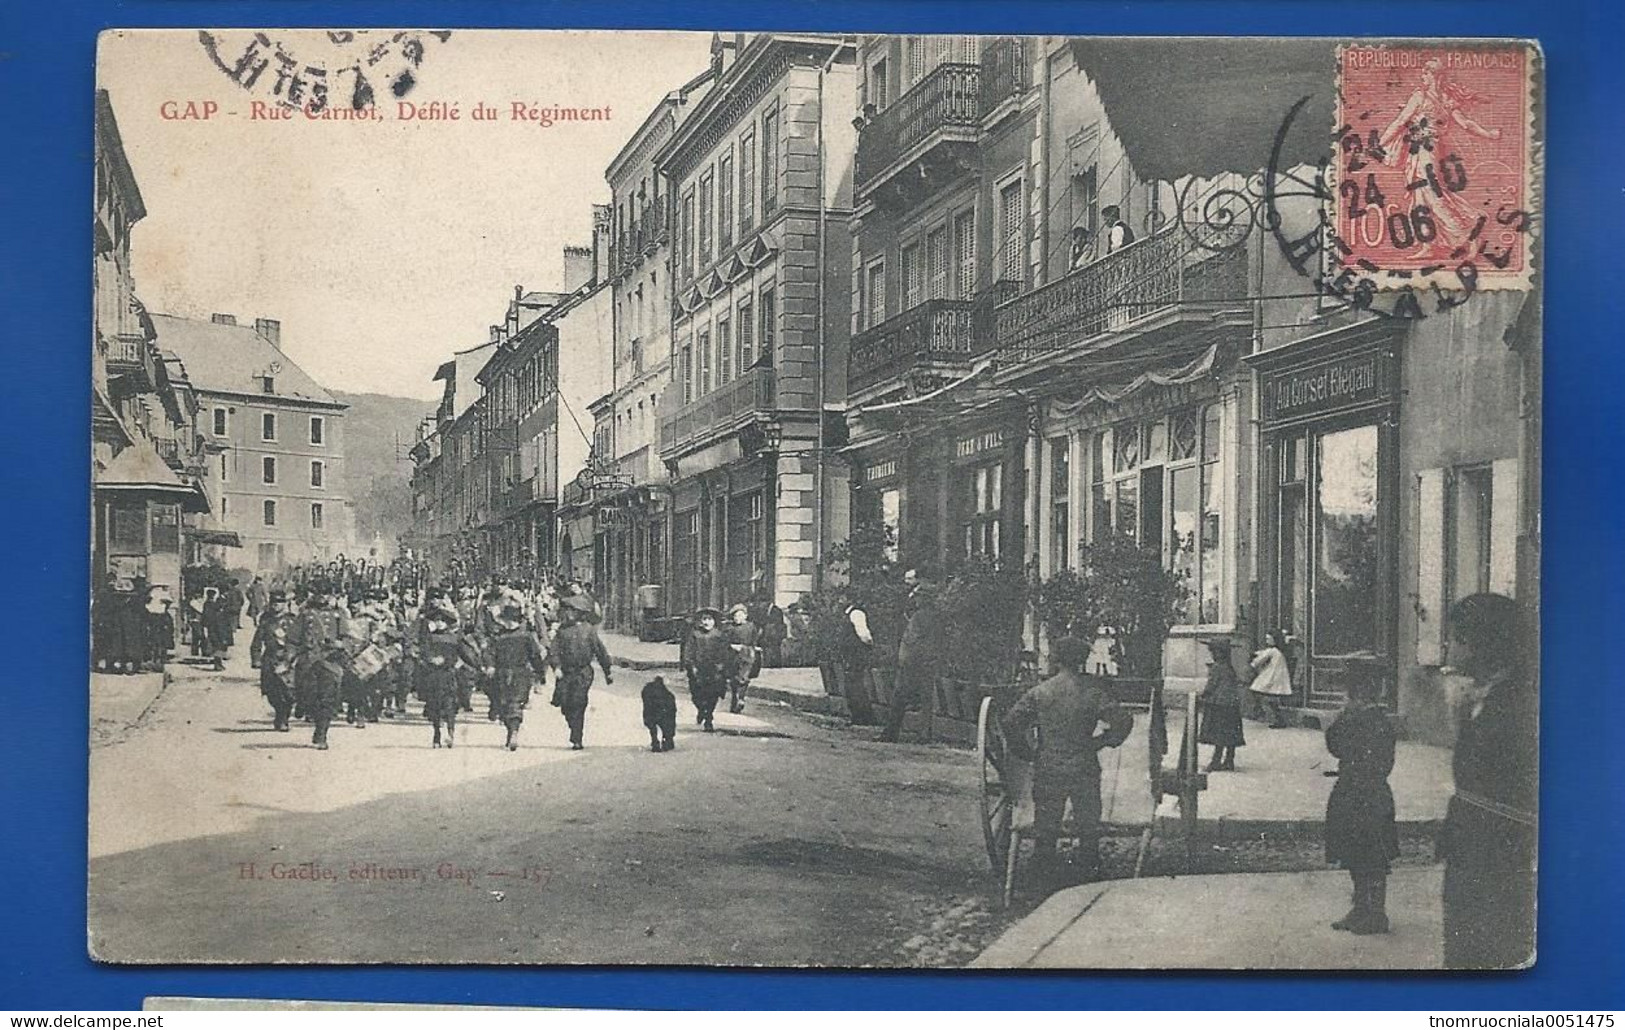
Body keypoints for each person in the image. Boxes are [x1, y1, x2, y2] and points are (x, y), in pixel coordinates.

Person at [1440, 593, 1536, 969]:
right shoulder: (1487, 696)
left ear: (1480, 644)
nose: (1448, 646)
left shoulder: (1517, 704)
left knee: (1484, 951)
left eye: (1456, 639)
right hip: (1473, 843)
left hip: (1495, 849)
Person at [1001, 636, 1134, 887]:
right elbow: (1123, 722)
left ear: (1057, 659)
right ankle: (1088, 879)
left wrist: (1027, 752)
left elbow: (1011, 723)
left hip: (1049, 766)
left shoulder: (1040, 692)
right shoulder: (1095, 692)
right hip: (1084, 766)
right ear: (1083, 660)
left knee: (1046, 826)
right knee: (1088, 825)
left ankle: (1042, 881)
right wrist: (1102, 741)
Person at [1323, 675, 1400, 934]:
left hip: (1370, 796)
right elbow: (1335, 747)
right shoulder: (1355, 718)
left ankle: (1377, 914)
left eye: (1353, 694)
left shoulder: (1377, 722)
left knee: (1373, 856)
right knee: (1353, 853)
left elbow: (1378, 763)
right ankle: (1360, 909)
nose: (1349, 698)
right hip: (1351, 792)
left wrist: (1344, 720)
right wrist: (1343, 717)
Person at [290, 579, 350, 750]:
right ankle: (309, 712)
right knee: (308, 696)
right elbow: (293, 638)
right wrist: (290, 656)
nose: (322, 596)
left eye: (326, 593)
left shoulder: (339, 615)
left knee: (327, 698)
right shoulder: (305, 614)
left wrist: (340, 644)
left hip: (330, 662)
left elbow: (347, 638)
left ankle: (321, 732)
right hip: (308, 661)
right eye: (319, 593)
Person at [549, 594, 613, 750]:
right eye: (567, 610)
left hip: (583, 672)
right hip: (565, 672)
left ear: (580, 613)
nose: (568, 613)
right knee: (565, 703)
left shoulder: (589, 631)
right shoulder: (562, 631)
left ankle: (577, 737)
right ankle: (573, 727)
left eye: (572, 610)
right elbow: (554, 651)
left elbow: (600, 651)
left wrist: (607, 671)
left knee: (578, 702)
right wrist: (556, 667)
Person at [881, 570, 938, 743]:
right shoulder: (930, 616)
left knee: (900, 697)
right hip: (926, 662)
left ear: (924, 599)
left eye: (919, 597)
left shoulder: (920, 617)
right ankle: (924, 734)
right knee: (925, 699)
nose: (916, 600)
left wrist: (904, 660)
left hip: (913, 663)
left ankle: (891, 733)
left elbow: (911, 641)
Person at [488, 599, 550, 751]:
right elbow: (490, 653)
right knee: (505, 705)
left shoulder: (524, 637)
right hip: (505, 674)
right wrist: (490, 665)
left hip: (518, 674)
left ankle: (513, 732)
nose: (508, 624)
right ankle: (511, 731)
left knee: (514, 704)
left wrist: (540, 673)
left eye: (511, 621)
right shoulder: (500, 637)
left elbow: (534, 656)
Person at [418, 590, 475, 748]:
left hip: (450, 676)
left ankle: (450, 732)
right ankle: (437, 733)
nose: (439, 623)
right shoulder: (428, 638)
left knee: (450, 705)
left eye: (442, 620)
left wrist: (472, 665)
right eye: (436, 620)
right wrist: (430, 660)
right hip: (433, 676)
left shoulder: (454, 638)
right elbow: (423, 652)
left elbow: (465, 655)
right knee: (434, 706)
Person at [250, 590, 299, 731]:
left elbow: (299, 640)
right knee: (271, 691)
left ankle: (284, 718)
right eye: (274, 602)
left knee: (289, 693)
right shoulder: (266, 621)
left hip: (287, 659)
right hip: (270, 659)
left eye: (279, 602)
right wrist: (256, 659)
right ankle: (279, 713)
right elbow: (257, 641)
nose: (276, 605)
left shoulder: (292, 620)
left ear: (285, 604)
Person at [1198, 637, 1245, 771]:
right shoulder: (1229, 668)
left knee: (1219, 734)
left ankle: (1215, 761)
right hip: (1232, 704)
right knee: (1230, 734)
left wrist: (1202, 696)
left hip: (1218, 704)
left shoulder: (1217, 668)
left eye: (1213, 652)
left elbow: (1211, 686)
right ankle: (1229, 760)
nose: (1212, 655)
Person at [681, 608, 727, 731]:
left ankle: (708, 718)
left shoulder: (719, 635)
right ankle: (701, 710)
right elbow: (688, 651)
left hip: (714, 670)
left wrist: (721, 665)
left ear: (714, 621)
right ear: (700, 621)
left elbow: (725, 652)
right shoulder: (695, 634)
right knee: (696, 695)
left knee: (713, 694)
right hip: (698, 670)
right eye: (704, 619)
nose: (707, 622)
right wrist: (690, 665)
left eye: (710, 619)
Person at [839, 598, 879, 726]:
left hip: (856, 654)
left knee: (855, 684)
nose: (840, 601)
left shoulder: (856, 613)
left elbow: (864, 635)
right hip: (851, 654)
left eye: (842, 598)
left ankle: (864, 716)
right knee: (852, 684)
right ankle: (858, 716)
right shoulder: (848, 613)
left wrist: (869, 645)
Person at [720, 603, 762, 714]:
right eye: (735, 616)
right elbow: (724, 642)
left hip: (747, 655)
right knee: (734, 679)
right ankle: (735, 699)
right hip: (733, 656)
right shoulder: (729, 628)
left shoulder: (751, 627)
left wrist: (755, 647)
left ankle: (741, 699)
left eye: (740, 615)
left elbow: (754, 640)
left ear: (745, 616)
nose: (737, 618)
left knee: (743, 677)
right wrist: (731, 646)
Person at [1249, 629, 1294, 728]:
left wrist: (1253, 663)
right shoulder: (1278, 651)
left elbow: (1259, 660)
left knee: (1260, 691)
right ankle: (1277, 718)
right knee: (1271, 698)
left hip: (1272, 676)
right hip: (1277, 676)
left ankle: (1264, 713)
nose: (1267, 641)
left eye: (1269, 639)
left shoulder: (1272, 651)